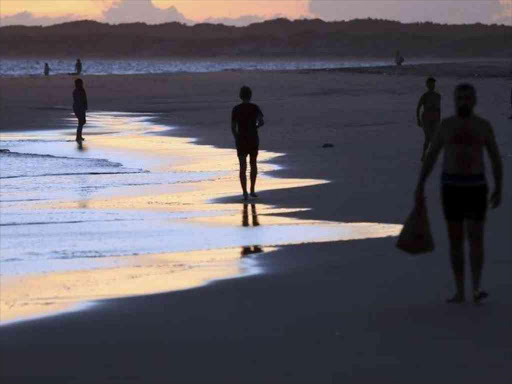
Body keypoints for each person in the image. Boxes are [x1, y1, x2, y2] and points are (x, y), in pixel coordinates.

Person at [415, 83, 503, 304]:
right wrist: (420, 184)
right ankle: (459, 290)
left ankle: (475, 287)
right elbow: (432, 156)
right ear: (455, 101)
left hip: (475, 186)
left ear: (473, 101)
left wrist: (499, 186)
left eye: (467, 98)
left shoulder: (483, 126)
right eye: (460, 98)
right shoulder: (446, 126)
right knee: (455, 241)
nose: (464, 101)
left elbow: (495, 158)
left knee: (475, 239)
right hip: (452, 186)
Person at [231, 86, 265, 200]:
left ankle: (245, 192)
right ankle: (252, 190)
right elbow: (261, 122)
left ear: (240, 96)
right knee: (253, 164)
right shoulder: (255, 107)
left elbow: (233, 127)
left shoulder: (236, 109)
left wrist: (236, 137)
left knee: (242, 166)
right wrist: (255, 127)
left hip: (241, 139)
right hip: (253, 138)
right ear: (250, 95)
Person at [416, 77, 442, 161]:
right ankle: (426, 155)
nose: (432, 85)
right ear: (427, 85)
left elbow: (439, 109)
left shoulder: (438, 96)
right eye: (430, 84)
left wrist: (439, 120)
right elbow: (418, 107)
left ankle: (425, 155)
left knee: (431, 138)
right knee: (429, 137)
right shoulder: (424, 96)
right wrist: (418, 120)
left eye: (433, 84)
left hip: (435, 119)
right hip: (426, 118)